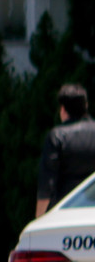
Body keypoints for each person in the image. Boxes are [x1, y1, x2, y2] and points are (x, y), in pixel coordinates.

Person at [38, 83, 95, 215]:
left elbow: (47, 185)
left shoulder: (56, 136)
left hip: (66, 214)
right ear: (85, 106)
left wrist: (39, 218)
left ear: (63, 110)